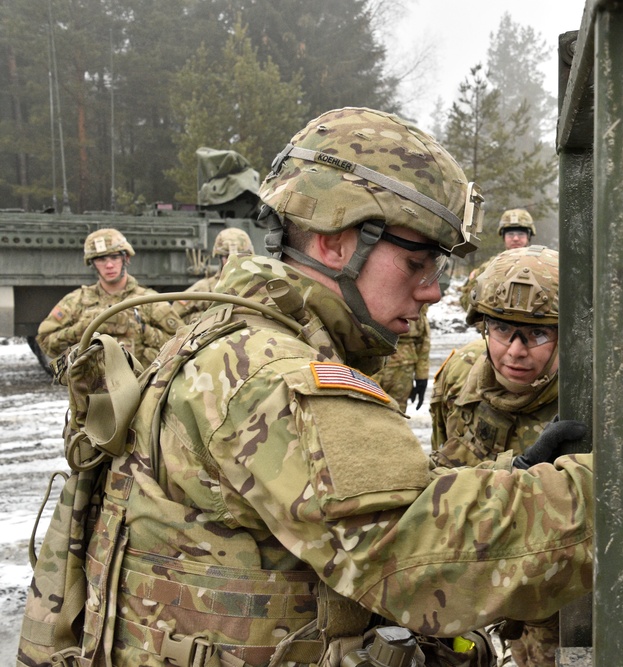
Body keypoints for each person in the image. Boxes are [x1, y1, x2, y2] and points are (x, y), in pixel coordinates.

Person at [34, 108, 594, 667]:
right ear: (335, 243)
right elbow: (424, 563)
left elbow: (364, 506)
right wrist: (613, 486)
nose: (431, 292)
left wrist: (512, 479)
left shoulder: (227, 333)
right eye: (418, 262)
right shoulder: (279, 379)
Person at [430, 245, 563, 667]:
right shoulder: (457, 377)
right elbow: (437, 476)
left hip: (560, 601)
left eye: (538, 333)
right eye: (502, 329)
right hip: (475, 587)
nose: (515, 351)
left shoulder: (596, 398)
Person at [36, 228, 181, 367]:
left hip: (141, 387)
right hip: (91, 390)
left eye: (115, 257)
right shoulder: (76, 302)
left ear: (126, 258)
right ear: (92, 263)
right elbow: (45, 342)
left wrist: (139, 329)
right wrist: (85, 328)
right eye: (101, 259)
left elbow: (183, 343)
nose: (109, 265)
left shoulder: (149, 301)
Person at [459, 208, 536, 311]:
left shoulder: (544, 266)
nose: (515, 238)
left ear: (529, 236)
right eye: (510, 234)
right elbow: (466, 302)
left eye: (521, 234)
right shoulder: (487, 268)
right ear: (503, 237)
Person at [173, 226, 255, 323]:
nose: (234, 261)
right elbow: (174, 318)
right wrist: (204, 319)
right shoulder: (205, 288)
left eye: (240, 256)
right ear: (219, 258)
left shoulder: (259, 284)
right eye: (227, 256)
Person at [373, 302, 432, 411]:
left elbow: (422, 340)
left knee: (395, 416)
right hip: (369, 364)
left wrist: (421, 378)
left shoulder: (413, 294)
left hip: (401, 371)